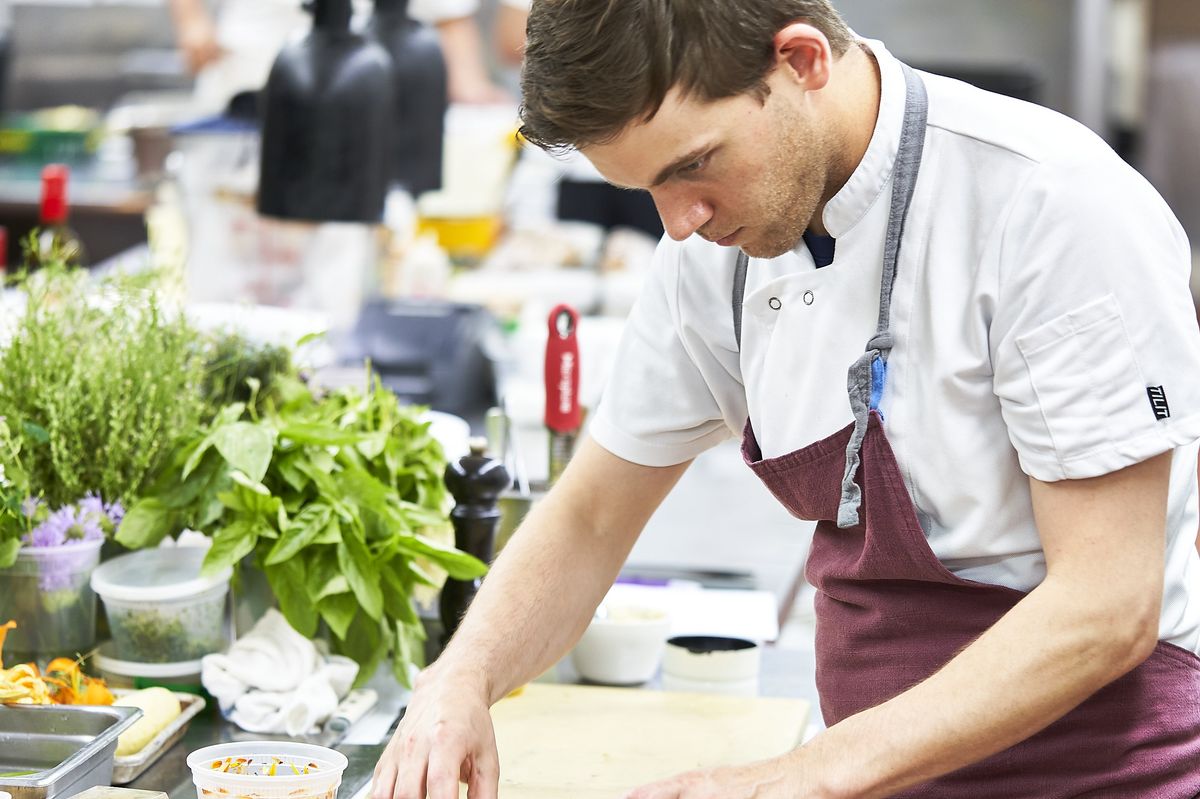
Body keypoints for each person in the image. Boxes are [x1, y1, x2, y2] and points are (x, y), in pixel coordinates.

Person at [374, 1, 1200, 796]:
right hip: (873, 773)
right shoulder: (713, 246)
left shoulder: (1052, 205)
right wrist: (461, 677)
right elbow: (592, 513)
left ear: (801, 60)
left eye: (692, 166)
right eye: (646, 191)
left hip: (1099, 773)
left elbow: (1106, 604)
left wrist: (803, 773)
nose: (681, 223)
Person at [166, 0, 513, 113]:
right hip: (246, 86)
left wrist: (472, 87)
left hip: (361, 97)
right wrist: (191, 19)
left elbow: (448, 16)